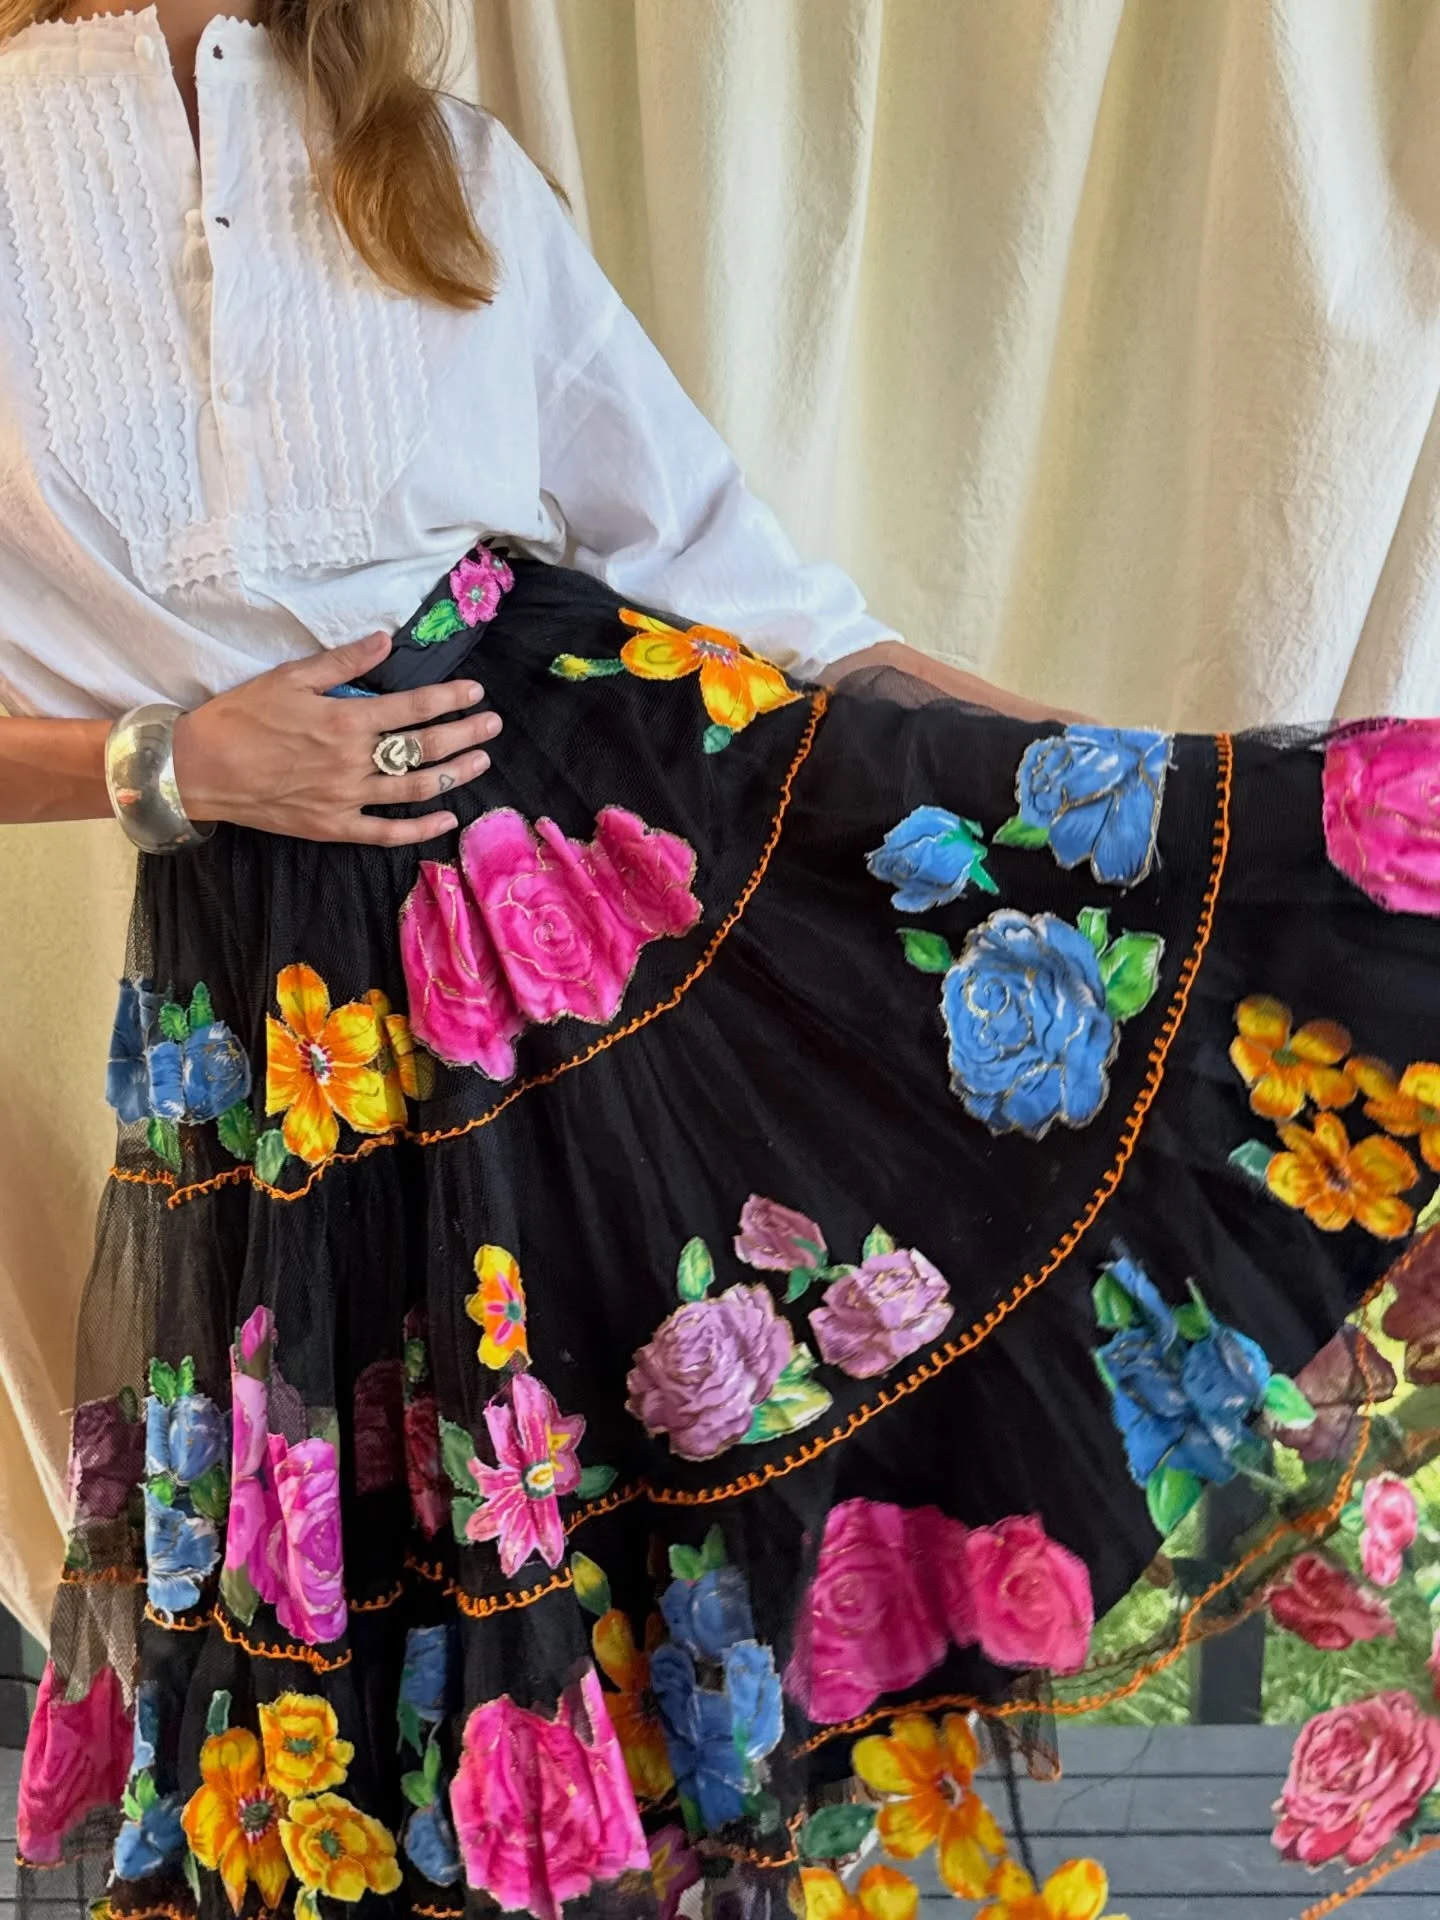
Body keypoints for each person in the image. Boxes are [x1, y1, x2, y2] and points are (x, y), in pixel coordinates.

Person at [7, 5, 1440, 1918]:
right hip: (282, 1020)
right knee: (386, 1590)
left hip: (616, 927)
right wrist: (168, 764)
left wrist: (1158, 800)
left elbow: (761, 593)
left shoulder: (439, 169)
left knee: (674, 1516)